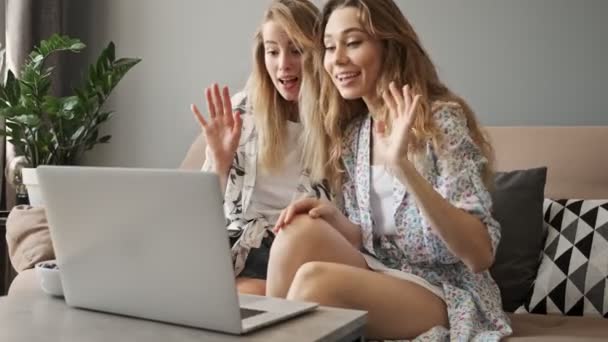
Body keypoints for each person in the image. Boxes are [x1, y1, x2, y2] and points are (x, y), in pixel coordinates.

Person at [265, 0, 513, 340]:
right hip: (389, 272)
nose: (337, 59)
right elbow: (378, 241)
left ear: (388, 46)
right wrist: (338, 222)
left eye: (352, 42)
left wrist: (402, 166)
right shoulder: (356, 134)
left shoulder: (441, 122)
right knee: (295, 232)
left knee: (314, 282)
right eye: (329, 47)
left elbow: (479, 254)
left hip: (447, 289)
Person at [189, 0, 329, 296]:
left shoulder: (338, 124)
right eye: (272, 51)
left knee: (236, 299)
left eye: (296, 50)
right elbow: (201, 212)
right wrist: (218, 162)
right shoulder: (242, 110)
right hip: (233, 248)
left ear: (318, 53)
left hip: (292, 252)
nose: (283, 64)